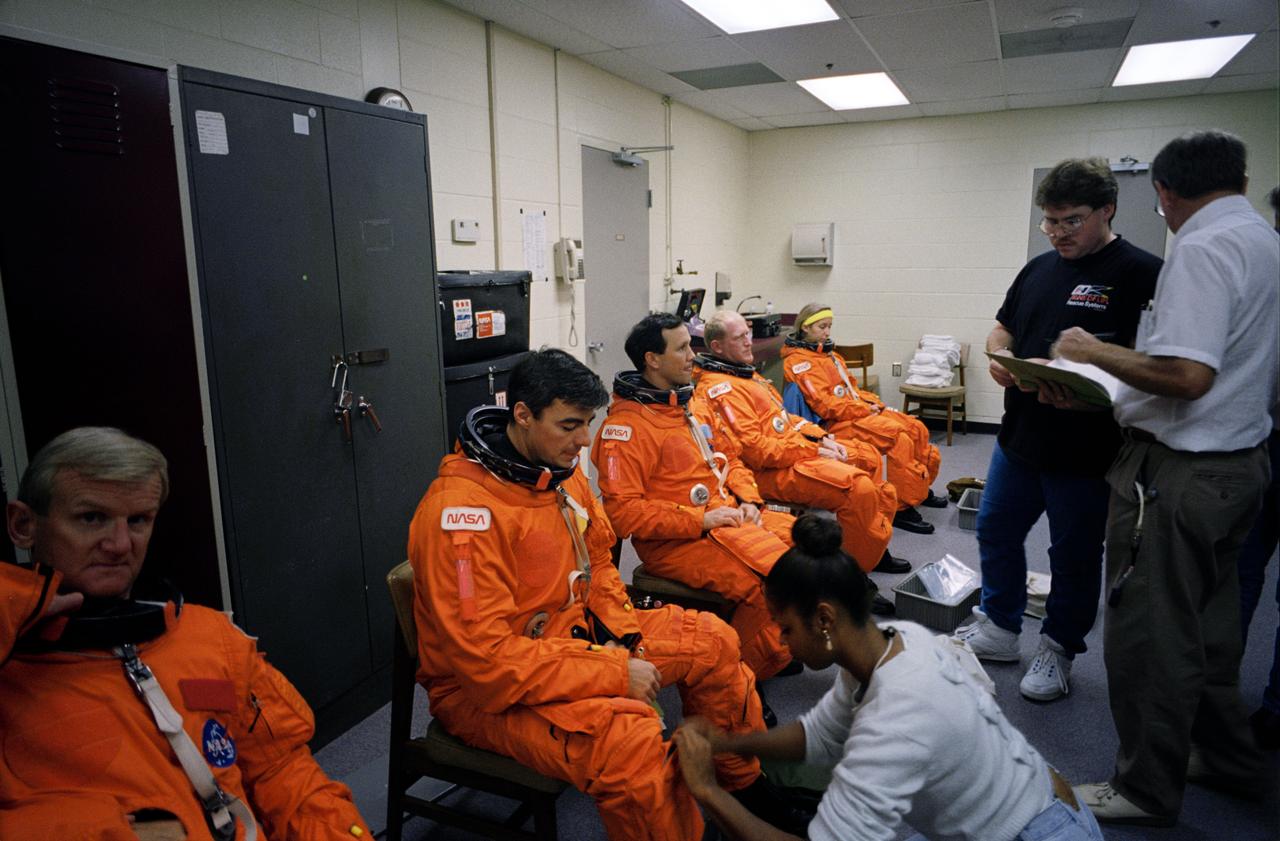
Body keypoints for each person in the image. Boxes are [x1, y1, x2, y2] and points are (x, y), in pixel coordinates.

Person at [408, 348, 800, 841]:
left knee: (714, 640)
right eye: (570, 425)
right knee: (630, 743)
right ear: (523, 415)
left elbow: (598, 565)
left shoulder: (559, 474)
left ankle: (742, 787)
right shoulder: (462, 515)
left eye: (588, 422)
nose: (584, 439)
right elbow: (486, 662)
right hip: (488, 690)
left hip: (578, 638)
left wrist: (625, 638)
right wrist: (613, 671)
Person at [1053, 132, 1279, 825]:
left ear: (1164, 194)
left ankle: (1146, 786)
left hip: (1179, 474)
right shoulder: (1265, 241)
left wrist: (1095, 354)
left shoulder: (1203, 249)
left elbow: (1186, 374)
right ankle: (1227, 757)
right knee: (1209, 630)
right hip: (1239, 462)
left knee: (1150, 634)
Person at [0, 426, 369, 840]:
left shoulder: (209, 637)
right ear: (23, 525)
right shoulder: (12, 673)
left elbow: (282, 768)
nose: (121, 544)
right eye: (92, 518)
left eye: (138, 520)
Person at [671, 514, 1105, 841]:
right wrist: (726, 743)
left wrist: (707, 789)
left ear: (823, 619)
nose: (782, 644)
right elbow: (817, 737)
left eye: (785, 628)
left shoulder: (894, 721)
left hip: (1039, 831)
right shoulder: (893, 643)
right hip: (1023, 803)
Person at [951, 158, 1162, 703]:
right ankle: (998, 626)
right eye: (1049, 221)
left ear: (1107, 210)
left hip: (1090, 450)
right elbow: (1003, 328)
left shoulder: (1144, 273)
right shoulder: (1038, 269)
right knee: (995, 530)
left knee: (1073, 555)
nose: (1057, 232)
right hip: (1020, 438)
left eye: (1071, 221)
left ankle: (1058, 647)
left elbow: (1159, 367)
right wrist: (1000, 356)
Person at [593, 313, 795, 682]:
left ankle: (770, 647)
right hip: (677, 542)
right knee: (773, 582)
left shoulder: (687, 406)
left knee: (803, 546)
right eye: (683, 348)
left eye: (691, 344)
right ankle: (740, 679)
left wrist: (749, 499)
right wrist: (699, 520)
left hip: (725, 515)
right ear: (652, 359)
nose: (693, 355)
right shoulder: (626, 428)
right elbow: (623, 514)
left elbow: (729, 458)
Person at [692, 309, 906, 578]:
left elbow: (784, 417)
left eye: (748, 334)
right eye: (739, 338)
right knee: (858, 488)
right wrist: (813, 449)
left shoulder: (745, 375)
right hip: (765, 472)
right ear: (717, 347)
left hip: (790, 451)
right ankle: (854, 574)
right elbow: (757, 452)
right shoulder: (720, 389)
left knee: (867, 456)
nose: (748, 342)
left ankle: (871, 548)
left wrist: (820, 437)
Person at [781, 302, 946, 534]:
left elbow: (852, 391)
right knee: (897, 437)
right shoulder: (799, 362)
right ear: (805, 328)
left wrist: (872, 403)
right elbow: (826, 406)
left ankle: (918, 488)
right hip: (833, 424)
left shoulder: (831, 355)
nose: (827, 332)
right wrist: (863, 410)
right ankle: (901, 507)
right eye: (821, 327)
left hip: (852, 411)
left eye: (829, 326)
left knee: (916, 427)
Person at [1237, 182, 1280, 750]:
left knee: (1240, 573)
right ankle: (1215, 694)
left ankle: (1273, 709)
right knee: (1238, 573)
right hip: (1258, 442)